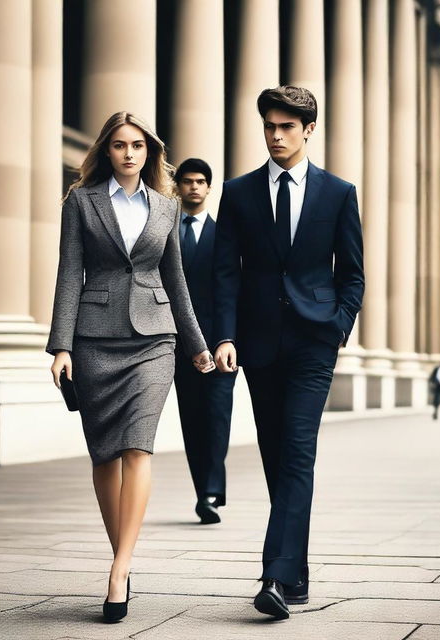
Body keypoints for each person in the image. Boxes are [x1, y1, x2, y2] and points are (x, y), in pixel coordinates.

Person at [46, 112, 215, 622]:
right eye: (119, 145)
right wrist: (60, 346)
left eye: (137, 145)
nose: (128, 153)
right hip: (94, 339)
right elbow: (68, 272)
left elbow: (176, 280)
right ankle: (121, 555)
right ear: (107, 150)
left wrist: (196, 344)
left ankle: (120, 569)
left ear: (150, 152)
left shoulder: (167, 207)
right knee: (104, 455)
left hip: (154, 340)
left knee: (138, 447)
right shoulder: (81, 202)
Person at [212, 86, 364, 619]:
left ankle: (274, 577)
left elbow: (352, 273)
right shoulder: (238, 192)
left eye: (286, 128)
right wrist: (225, 337)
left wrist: (338, 327)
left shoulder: (338, 193)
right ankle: (295, 567)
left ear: (308, 130)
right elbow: (225, 273)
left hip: (313, 343)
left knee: (298, 450)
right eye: (269, 127)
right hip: (257, 343)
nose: (275, 136)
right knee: (276, 456)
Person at [173, 158, 238, 525]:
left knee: (217, 418)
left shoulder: (224, 236)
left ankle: (211, 491)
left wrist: (229, 339)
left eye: (200, 181)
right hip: (180, 346)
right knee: (193, 420)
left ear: (209, 188)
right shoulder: (168, 233)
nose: (194, 187)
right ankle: (203, 491)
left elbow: (233, 291)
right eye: (187, 181)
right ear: (178, 187)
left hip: (218, 346)